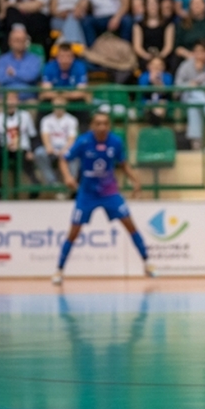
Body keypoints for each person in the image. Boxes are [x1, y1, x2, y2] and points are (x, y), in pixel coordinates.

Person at [54, 110, 153, 283]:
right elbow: (63, 159)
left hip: (110, 192)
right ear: (92, 125)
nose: (102, 127)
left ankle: (147, 263)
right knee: (73, 232)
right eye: (98, 123)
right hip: (87, 194)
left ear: (109, 125)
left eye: (105, 123)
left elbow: (123, 164)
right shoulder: (83, 141)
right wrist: (67, 177)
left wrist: (135, 180)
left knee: (130, 225)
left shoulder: (115, 142)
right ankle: (59, 270)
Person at [175, 40, 205, 150]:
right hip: (186, 97)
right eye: (197, 51)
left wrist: (196, 84)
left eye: (203, 51)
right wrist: (189, 85)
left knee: (194, 104)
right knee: (192, 92)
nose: (200, 54)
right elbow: (177, 86)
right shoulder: (186, 65)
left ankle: (196, 143)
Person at [35, 95, 79, 191]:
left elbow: (72, 138)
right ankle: (52, 183)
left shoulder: (72, 120)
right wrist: (48, 146)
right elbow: (45, 135)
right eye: (56, 105)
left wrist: (65, 149)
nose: (58, 107)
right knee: (39, 153)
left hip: (66, 147)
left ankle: (70, 182)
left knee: (75, 155)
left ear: (65, 105)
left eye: (61, 105)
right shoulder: (46, 119)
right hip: (51, 147)